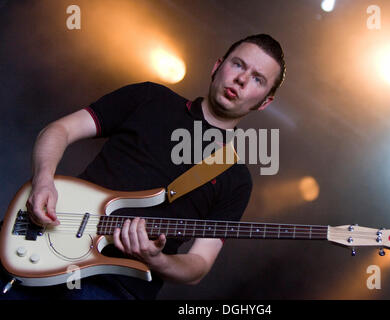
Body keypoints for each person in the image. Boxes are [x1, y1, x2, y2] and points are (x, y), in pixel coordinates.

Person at [0, 34, 286, 299]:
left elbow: (199, 264)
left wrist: (156, 258)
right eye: (238, 64)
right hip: (42, 242)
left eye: (258, 79)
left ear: (264, 102)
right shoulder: (150, 98)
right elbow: (59, 130)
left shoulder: (235, 178)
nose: (241, 80)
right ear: (218, 66)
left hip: (114, 289)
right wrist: (43, 180)